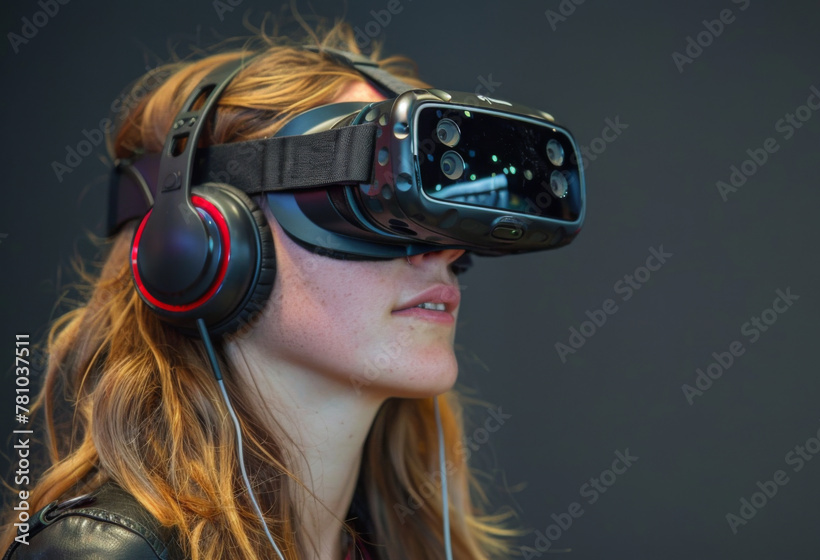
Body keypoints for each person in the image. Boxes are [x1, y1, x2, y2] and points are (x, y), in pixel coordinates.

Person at [0, 19, 539, 560]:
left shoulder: (401, 544)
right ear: (198, 245)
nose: (442, 250)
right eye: (364, 201)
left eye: (436, 213)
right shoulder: (107, 554)